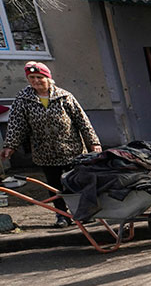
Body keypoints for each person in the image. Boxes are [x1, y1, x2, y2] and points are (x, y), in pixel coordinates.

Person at [0, 61, 102, 227]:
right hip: (45, 152)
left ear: (48, 78)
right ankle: (62, 216)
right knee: (54, 186)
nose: (36, 81)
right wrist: (10, 146)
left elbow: (83, 121)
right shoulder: (24, 99)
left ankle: (84, 213)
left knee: (76, 182)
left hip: (72, 149)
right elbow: (16, 124)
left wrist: (93, 143)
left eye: (39, 77)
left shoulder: (64, 96)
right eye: (31, 77)